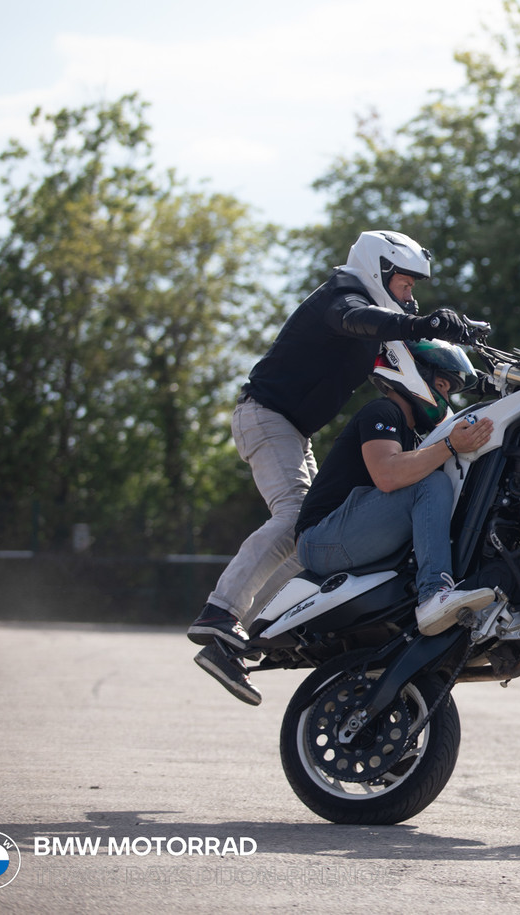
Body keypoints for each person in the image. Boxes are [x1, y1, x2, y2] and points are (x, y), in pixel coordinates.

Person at [189, 230, 484, 704]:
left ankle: (249, 631)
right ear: (379, 271)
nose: (410, 298)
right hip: (266, 414)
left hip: (289, 427)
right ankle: (219, 616)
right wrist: (422, 322)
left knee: (305, 529)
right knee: (295, 520)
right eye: (406, 286)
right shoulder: (340, 300)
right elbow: (361, 321)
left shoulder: (375, 317)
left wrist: (459, 331)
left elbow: (415, 356)